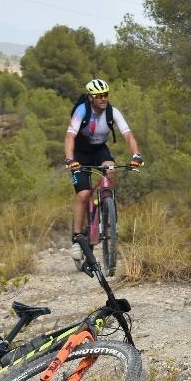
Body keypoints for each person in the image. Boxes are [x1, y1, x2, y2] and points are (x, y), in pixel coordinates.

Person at [65, 78, 143, 261]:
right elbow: (69, 137)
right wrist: (70, 159)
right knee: (83, 195)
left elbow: (128, 135)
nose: (103, 98)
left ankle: (107, 206)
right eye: (99, 95)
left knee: (111, 170)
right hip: (80, 153)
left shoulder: (112, 112)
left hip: (100, 150)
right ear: (91, 97)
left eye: (106, 94)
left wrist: (136, 155)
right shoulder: (82, 111)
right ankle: (77, 237)